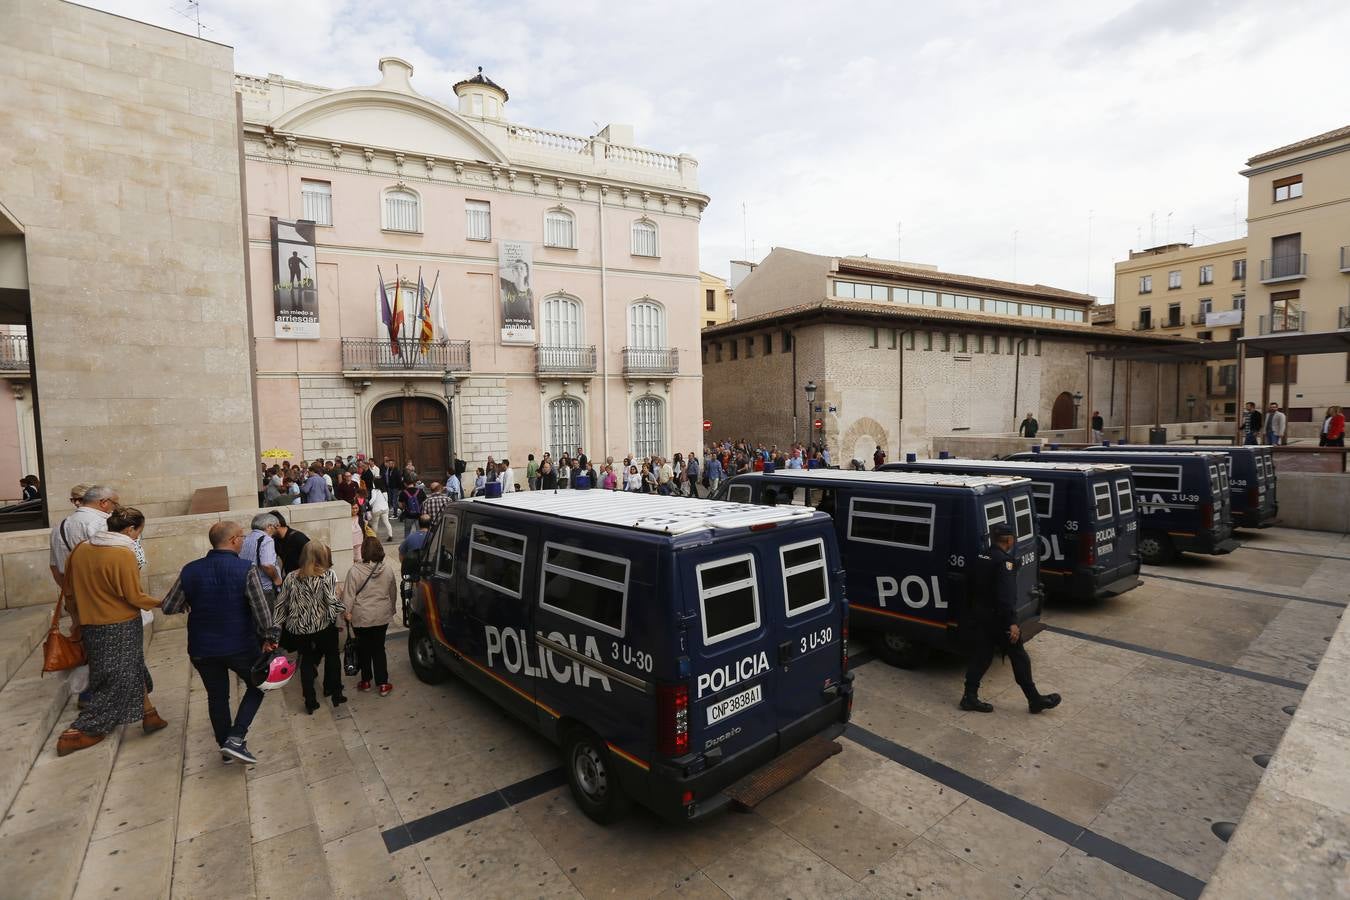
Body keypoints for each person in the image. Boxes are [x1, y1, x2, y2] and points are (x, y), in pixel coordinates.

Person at [162, 521, 280, 764]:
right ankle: (235, 738)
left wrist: (194, 602)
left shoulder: (190, 569)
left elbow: (169, 605)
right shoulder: (246, 569)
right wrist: (270, 637)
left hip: (202, 648)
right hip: (238, 645)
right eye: (242, 537)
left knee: (217, 697)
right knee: (259, 685)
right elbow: (261, 610)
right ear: (234, 540)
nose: (244, 540)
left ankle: (225, 745)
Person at [57, 506, 164, 756]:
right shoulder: (121, 553)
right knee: (116, 679)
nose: (137, 537)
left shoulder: (80, 549)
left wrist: (76, 618)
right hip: (120, 624)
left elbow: (69, 590)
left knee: (130, 668)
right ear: (129, 529)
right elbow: (133, 595)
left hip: (90, 623)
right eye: (138, 532)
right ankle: (84, 729)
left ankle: (149, 714)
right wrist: (162, 603)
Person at [960, 524, 1061, 715]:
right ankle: (1034, 699)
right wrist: (1012, 623)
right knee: (1019, 657)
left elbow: (969, 587)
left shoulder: (982, 557)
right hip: (999, 620)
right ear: (1008, 540)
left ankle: (969, 697)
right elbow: (1005, 597)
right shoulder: (1004, 562)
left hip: (981, 616)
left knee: (982, 656)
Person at [274, 542, 345, 713]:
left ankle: (310, 701)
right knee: (332, 656)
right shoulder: (327, 575)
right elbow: (331, 602)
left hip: (299, 629)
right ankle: (335, 693)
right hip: (323, 626)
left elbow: (280, 605)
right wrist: (342, 608)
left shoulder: (291, 577)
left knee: (305, 660)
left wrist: (275, 630)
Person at [342, 537, 399, 696]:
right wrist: (392, 608)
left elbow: (349, 595)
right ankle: (383, 683)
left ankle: (366, 680)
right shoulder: (387, 569)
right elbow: (392, 591)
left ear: (363, 551)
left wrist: (347, 612)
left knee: (364, 649)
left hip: (361, 617)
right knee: (379, 648)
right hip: (381, 615)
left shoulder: (354, 571)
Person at [240, 513, 282, 600]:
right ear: (269, 526)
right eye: (275, 527)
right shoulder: (267, 540)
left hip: (247, 586)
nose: (276, 530)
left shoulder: (246, 538)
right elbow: (267, 565)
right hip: (264, 588)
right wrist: (277, 579)